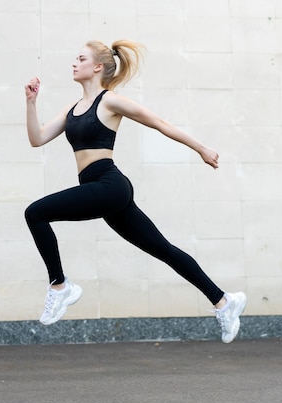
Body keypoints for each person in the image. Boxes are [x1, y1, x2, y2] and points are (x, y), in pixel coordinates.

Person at [24, 40, 247, 343]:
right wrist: (31, 102)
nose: (74, 64)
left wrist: (202, 148)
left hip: (109, 185)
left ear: (97, 67)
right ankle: (224, 301)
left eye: (80, 59)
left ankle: (60, 286)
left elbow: (158, 122)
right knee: (163, 249)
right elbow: (37, 139)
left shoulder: (110, 101)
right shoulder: (71, 110)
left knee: (35, 213)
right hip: (102, 191)